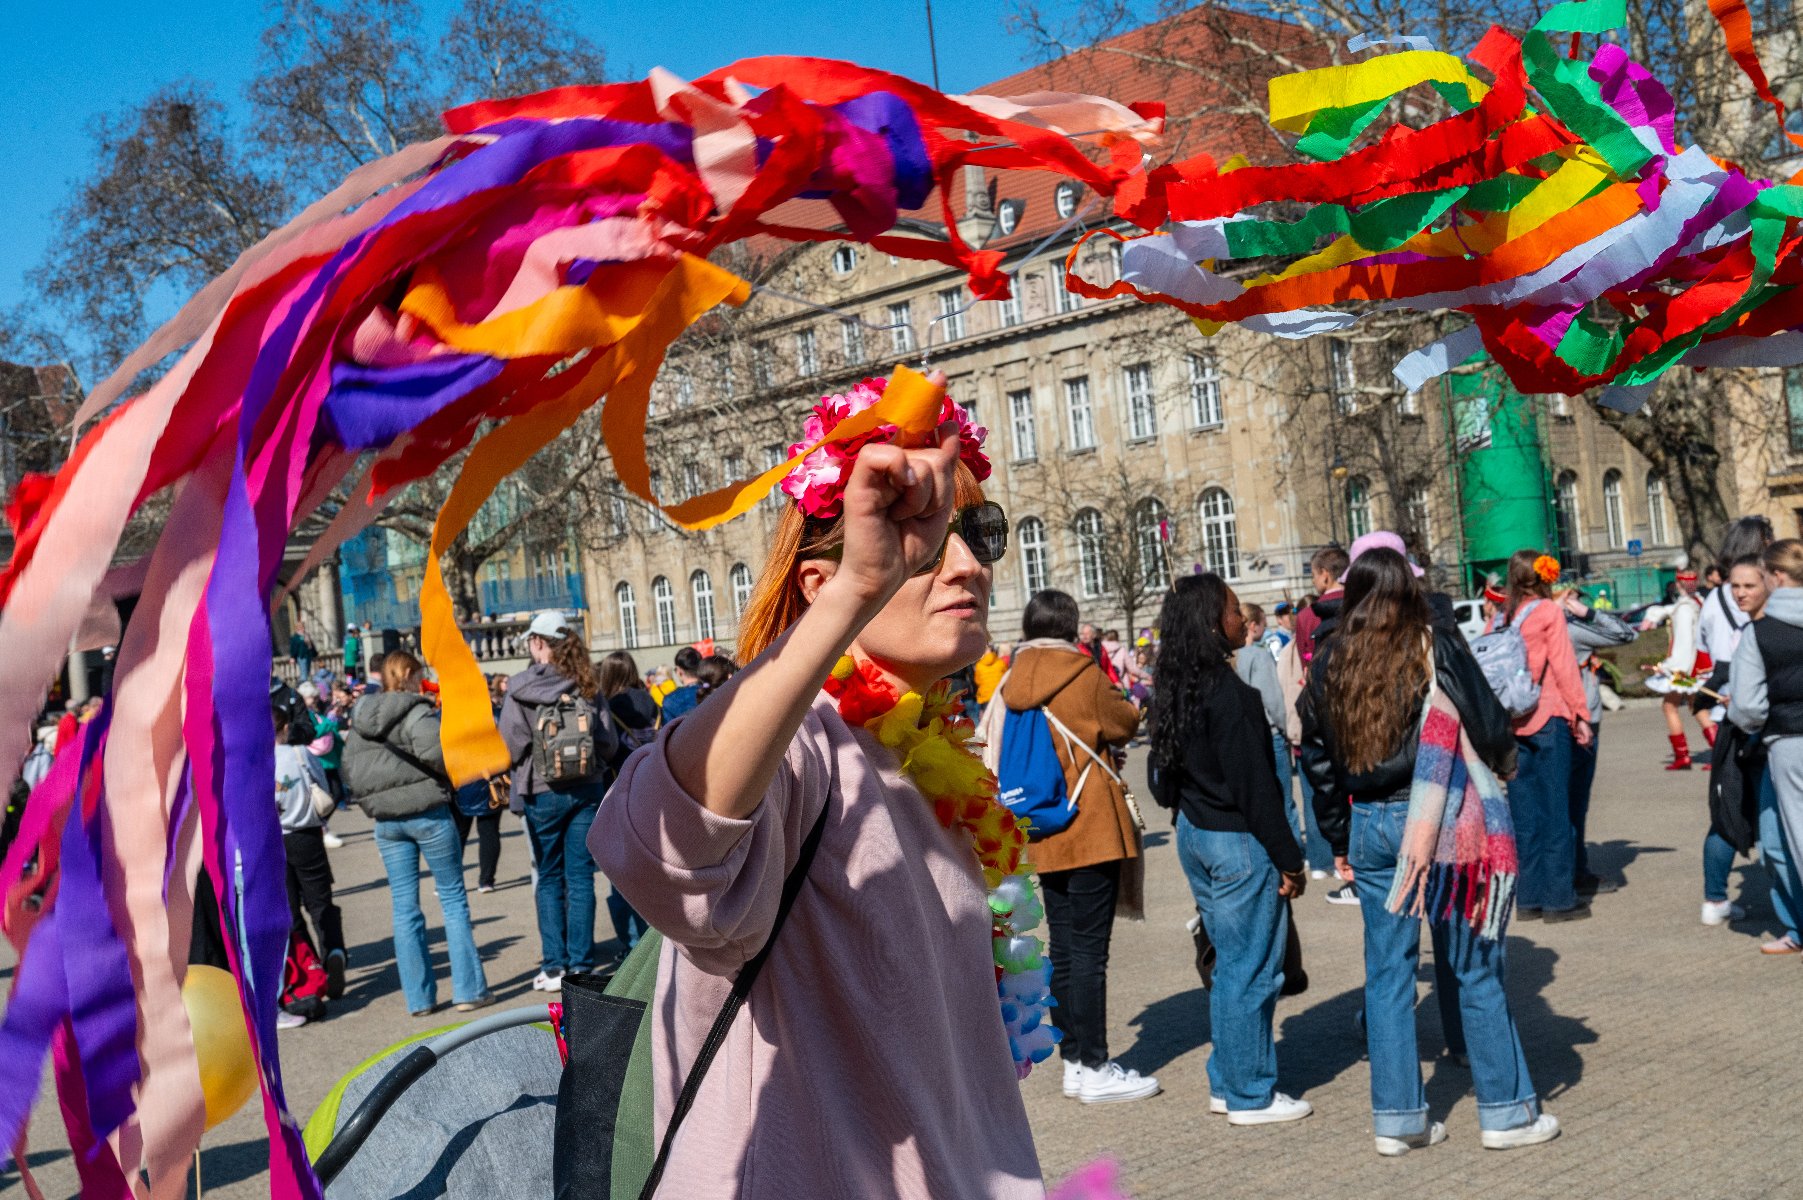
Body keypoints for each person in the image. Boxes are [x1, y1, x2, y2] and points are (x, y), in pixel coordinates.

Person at [589, 381, 1045, 1197]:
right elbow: (658, 845)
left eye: (977, 531)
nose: (969, 564)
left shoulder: (926, 751)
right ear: (818, 587)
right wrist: (851, 598)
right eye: (921, 539)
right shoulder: (805, 743)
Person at [1300, 547, 1558, 1154]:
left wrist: (1338, 836)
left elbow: (1316, 757)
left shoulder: (1330, 656)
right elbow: (1489, 721)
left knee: (1386, 976)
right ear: (1410, 591)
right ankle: (1505, 1113)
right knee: (1474, 967)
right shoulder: (1432, 642)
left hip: (1370, 823)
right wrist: (1502, 769)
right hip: (1442, 820)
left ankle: (1397, 1121)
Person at [1151, 574, 1310, 1125]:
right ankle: (1249, 1092)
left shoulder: (1175, 689)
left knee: (1228, 965)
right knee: (1251, 968)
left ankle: (1228, 1078)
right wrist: (1289, 857)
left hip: (1196, 834)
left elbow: (1160, 780)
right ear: (1212, 623)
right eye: (1232, 610)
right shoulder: (1230, 695)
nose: (1242, 619)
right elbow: (1257, 789)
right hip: (1237, 840)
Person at [1001, 589, 1150, 1104]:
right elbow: (1126, 721)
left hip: (1044, 826)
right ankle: (1096, 1065)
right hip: (1088, 826)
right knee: (1091, 954)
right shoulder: (1081, 673)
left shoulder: (1011, 680)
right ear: (1069, 625)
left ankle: (1072, 1063)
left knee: (1064, 951)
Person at [344, 651, 493, 1015]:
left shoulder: (360, 718)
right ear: (408, 675)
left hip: (387, 823)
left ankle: (419, 998)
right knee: (453, 899)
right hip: (428, 812)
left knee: (404, 907)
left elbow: (350, 772)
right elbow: (441, 756)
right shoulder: (416, 712)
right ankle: (467, 991)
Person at [499, 611, 620, 993]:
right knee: (581, 877)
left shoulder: (519, 688)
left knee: (549, 877)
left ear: (538, 642)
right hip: (586, 788)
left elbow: (511, 744)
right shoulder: (586, 683)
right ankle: (581, 964)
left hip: (541, 790)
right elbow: (608, 742)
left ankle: (554, 966)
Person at [1491, 551, 1592, 921]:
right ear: (1544, 577)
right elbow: (1565, 666)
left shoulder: (1503, 616)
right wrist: (1580, 714)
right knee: (1556, 810)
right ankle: (1558, 899)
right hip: (1548, 716)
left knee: (1524, 814)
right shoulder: (1549, 613)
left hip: (1513, 723)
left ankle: (1528, 899)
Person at [1729, 540, 1803, 957]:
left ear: (1775, 578)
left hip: (1790, 742)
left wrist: (1751, 723)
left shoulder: (1759, 633)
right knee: (1781, 841)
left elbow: (1748, 707)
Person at [1558, 589, 1637, 896]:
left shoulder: (1518, 621)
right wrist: (1588, 613)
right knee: (1575, 802)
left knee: (1552, 803)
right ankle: (1576, 872)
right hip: (1580, 721)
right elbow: (1625, 634)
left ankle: (1551, 875)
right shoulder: (1571, 628)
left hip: (1540, 722)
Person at [273, 706, 345, 1028]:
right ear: (285, 727)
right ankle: (334, 952)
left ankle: (310, 966)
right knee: (320, 901)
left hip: (273, 841)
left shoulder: (251, 761)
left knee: (290, 911)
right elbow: (323, 790)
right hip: (307, 836)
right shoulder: (301, 754)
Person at [597, 650, 657, 953]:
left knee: (619, 872)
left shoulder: (610, 707)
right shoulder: (650, 701)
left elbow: (606, 749)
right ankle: (653, 940)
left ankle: (631, 942)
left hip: (619, 789)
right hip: (652, 789)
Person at [1237, 602, 1301, 859]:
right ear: (1253, 626)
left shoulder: (1229, 659)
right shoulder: (1258, 657)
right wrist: (1285, 729)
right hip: (1270, 734)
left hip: (1244, 738)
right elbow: (1272, 701)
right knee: (1284, 800)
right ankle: (1292, 852)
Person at [1647, 569, 1714, 768]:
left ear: (1678, 585)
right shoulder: (1698, 602)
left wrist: (1668, 667)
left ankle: (1683, 756)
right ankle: (1716, 751)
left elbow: (1684, 642)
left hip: (1685, 667)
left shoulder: (1685, 608)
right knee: (1696, 706)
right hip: (1697, 664)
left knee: (1669, 707)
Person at [1293, 545, 1349, 665]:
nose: (1313, 581)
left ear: (1324, 574)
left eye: (1313, 575)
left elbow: (1306, 661)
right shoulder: (1362, 603)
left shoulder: (1306, 616)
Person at [974, 642, 1009, 706]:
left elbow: (977, 681)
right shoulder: (1000, 662)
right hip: (999, 695)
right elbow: (1006, 676)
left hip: (985, 696)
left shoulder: (978, 665)